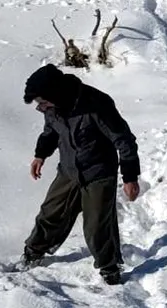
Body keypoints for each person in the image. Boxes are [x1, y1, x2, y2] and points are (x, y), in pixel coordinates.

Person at [22, 64, 141, 286]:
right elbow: (51, 132)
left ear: (55, 94)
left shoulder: (96, 104)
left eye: (42, 102)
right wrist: (40, 155)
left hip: (99, 172)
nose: (41, 107)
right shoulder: (52, 108)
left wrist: (130, 177)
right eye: (39, 104)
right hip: (68, 170)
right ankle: (33, 252)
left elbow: (123, 140)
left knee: (96, 225)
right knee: (50, 213)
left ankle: (109, 268)